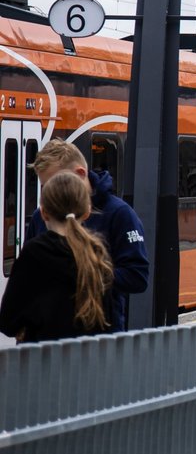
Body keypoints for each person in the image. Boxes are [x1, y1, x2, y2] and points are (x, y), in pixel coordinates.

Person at [25, 138, 148, 332]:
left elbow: (137, 276)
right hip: (47, 338)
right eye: (45, 187)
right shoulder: (41, 218)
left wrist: (84, 275)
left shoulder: (119, 214)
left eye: (55, 184)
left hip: (100, 341)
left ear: (80, 174)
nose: (48, 194)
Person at [1, 172, 114, 342]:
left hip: (42, 359)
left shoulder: (34, 253)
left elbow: (7, 322)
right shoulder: (97, 253)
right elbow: (108, 318)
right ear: (87, 212)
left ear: (44, 213)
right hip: (88, 361)